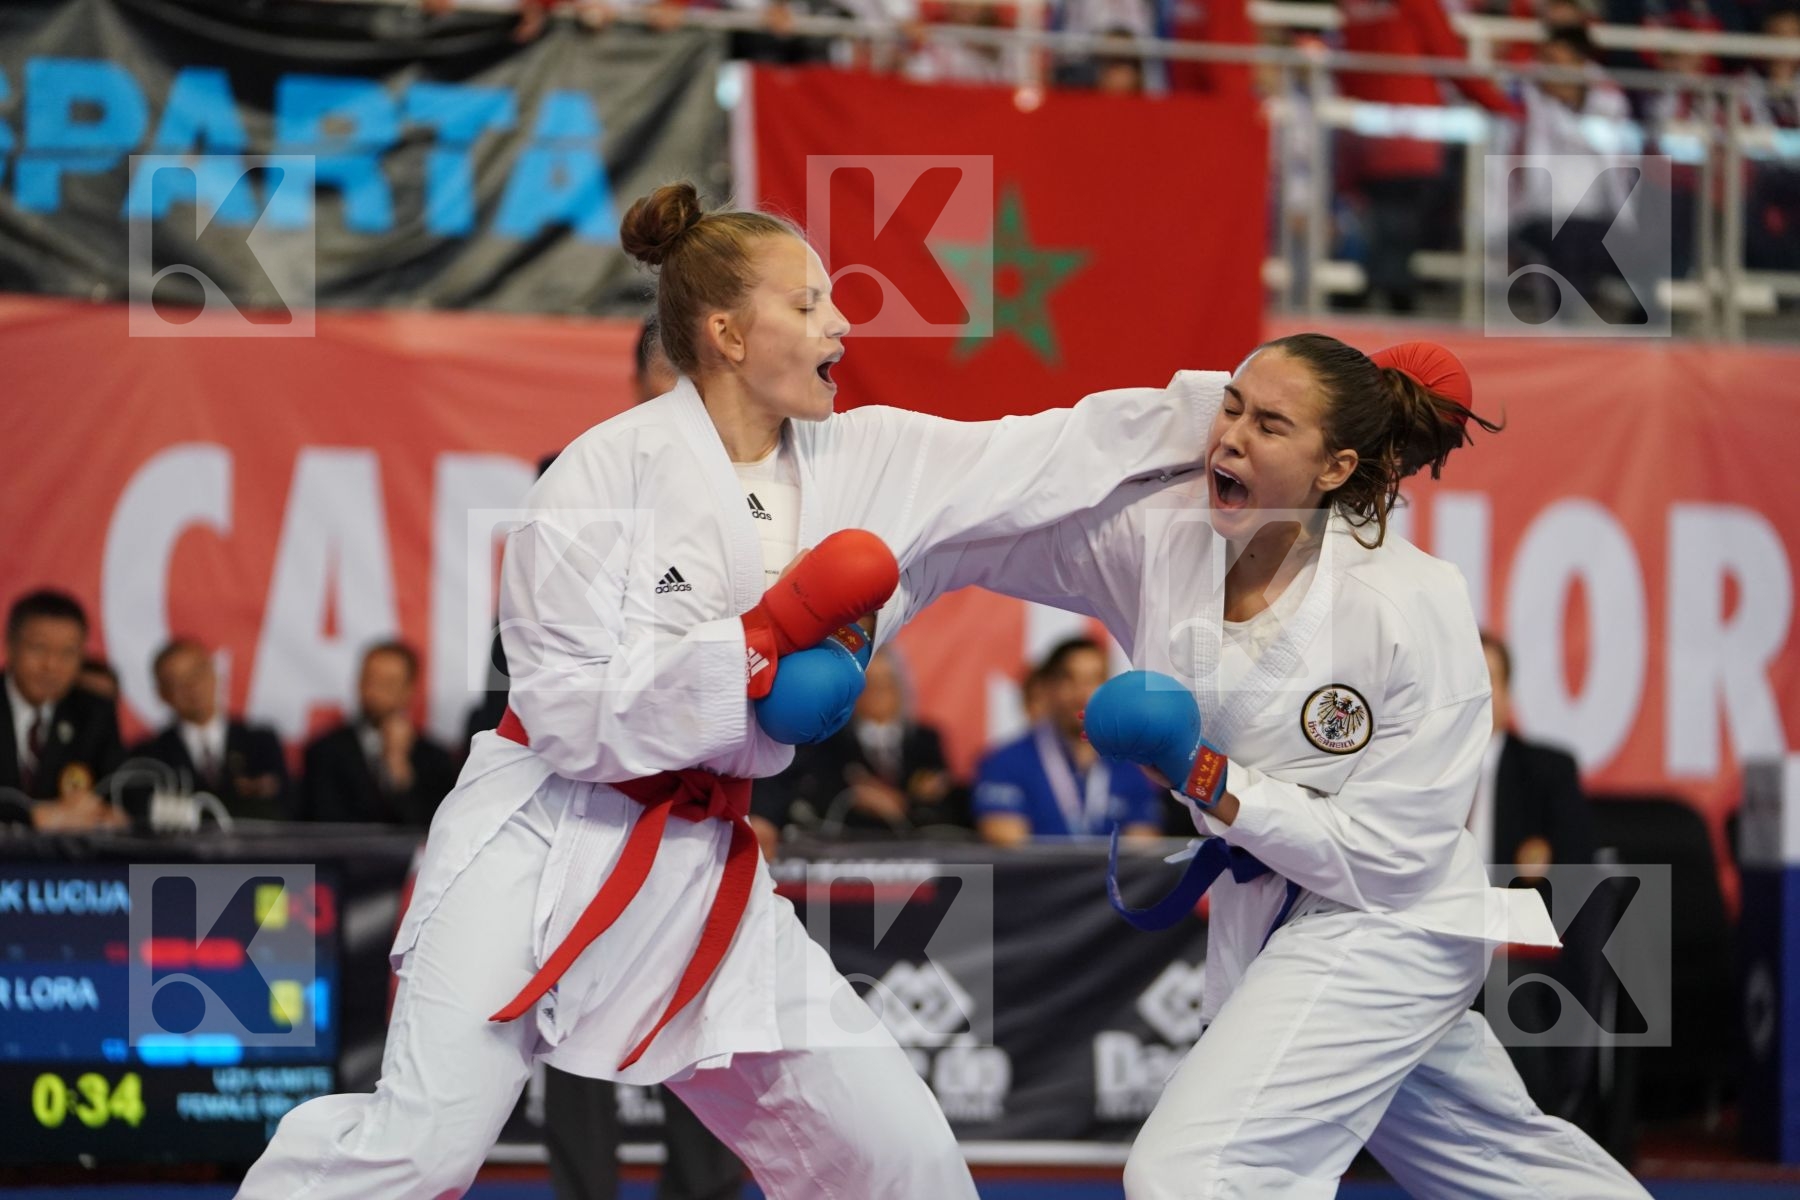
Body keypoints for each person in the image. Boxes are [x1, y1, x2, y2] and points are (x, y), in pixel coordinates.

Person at [238, 181, 1227, 1199]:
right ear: (726, 333)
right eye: (806, 305)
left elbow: (1053, 449)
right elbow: (570, 716)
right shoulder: (596, 478)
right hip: (539, 846)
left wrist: (1227, 418)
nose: (840, 322)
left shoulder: (872, 457)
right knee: (420, 1151)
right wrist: (757, 645)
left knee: (902, 1161)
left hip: (699, 868)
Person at [902, 334, 1649, 1197]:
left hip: (1388, 923)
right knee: (1502, 1164)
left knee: (1195, 1172)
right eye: (1230, 407)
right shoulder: (1166, 537)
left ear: (1334, 467)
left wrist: (1209, 777)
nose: (1231, 438)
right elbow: (989, 538)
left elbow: (1392, 855)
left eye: (1269, 424)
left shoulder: (1406, 601)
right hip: (1266, 918)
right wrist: (869, 598)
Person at [752, 645, 968, 839]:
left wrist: (899, 803)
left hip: (915, 847)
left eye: (887, 685)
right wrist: (855, 795)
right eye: (871, 686)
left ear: (901, 688)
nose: (879, 696)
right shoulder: (830, 739)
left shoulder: (926, 740)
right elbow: (817, 792)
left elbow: (940, 801)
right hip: (849, 844)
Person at [973, 636, 1163, 845]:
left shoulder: (1131, 766)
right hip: (1040, 878)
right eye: (1070, 679)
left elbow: (1143, 849)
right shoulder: (1005, 762)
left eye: (1094, 680)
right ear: (1047, 687)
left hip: (1115, 879)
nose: (1083, 693)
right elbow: (1008, 844)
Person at [0, 589, 127, 832]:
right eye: (38, 648)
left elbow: (121, 793)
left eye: (67, 653)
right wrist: (33, 817)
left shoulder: (93, 712)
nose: (51, 665)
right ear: (10, 646)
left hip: (67, 866)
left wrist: (105, 813)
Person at [131, 638, 292, 822]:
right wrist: (236, 796)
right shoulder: (149, 755)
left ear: (215, 673)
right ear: (162, 693)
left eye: (197, 673)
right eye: (177, 681)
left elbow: (280, 808)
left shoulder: (261, 742)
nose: (192, 687)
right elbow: (146, 814)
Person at [300, 641, 457, 827]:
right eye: (369, 680)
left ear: (409, 690)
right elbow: (325, 826)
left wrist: (398, 766)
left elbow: (433, 830)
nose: (374, 692)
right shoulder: (324, 752)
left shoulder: (436, 759)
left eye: (387, 683)